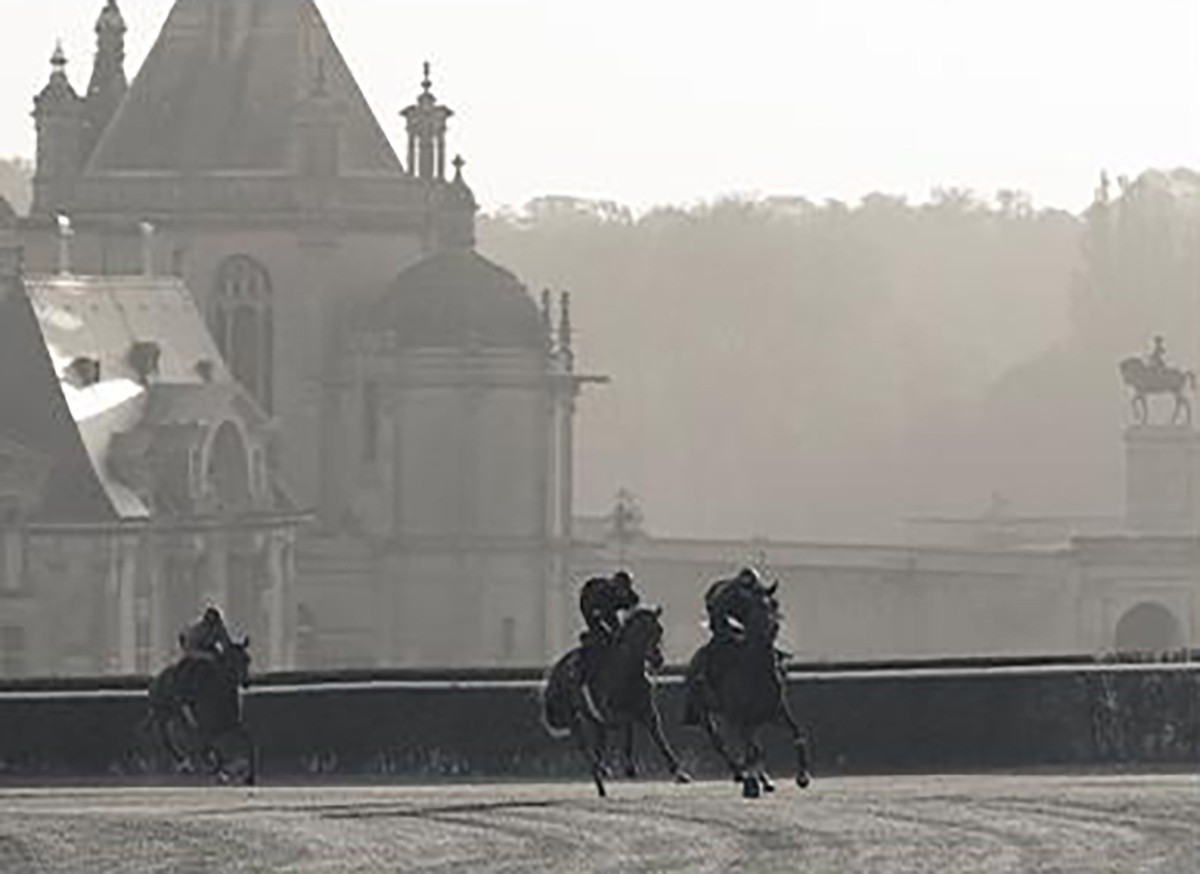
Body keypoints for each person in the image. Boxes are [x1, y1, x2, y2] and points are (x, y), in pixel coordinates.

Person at [579, 571, 641, 648]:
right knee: (602, 629)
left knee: (618, 630)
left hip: (604, 606)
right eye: (619, 590)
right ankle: (593, 639)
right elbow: (604, 614)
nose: (621, 592)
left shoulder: (627, 594)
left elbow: (635, 600)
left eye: (623, 591)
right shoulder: (603, 591)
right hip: (592, 604)